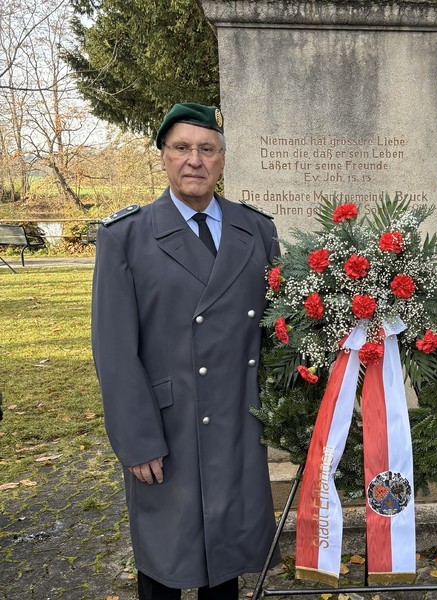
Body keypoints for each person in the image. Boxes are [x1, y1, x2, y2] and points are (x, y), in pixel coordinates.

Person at [92, 103, 281, 599]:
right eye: (181, 148)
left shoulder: (257, 230)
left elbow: (276, 328)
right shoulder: (125, 236)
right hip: (167, 429)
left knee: (226, 562)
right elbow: (113, 349)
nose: (194, 160)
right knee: (166, 562)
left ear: (222, 160)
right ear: (162, 158)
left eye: (207, 149)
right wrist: (136, 440)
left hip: (237, 422)